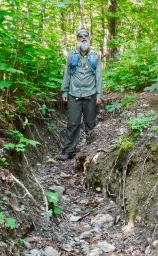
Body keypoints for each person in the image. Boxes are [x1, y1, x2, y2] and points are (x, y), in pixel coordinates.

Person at [59, 28, 103, 161]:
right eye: (80, 36)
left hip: (91, 94)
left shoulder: (95, 55)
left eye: (86, 36)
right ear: (77, 39)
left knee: (90, 124)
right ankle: (68, 151)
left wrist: (99, 95)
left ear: (89, 38)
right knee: (73, 124)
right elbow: (67, 73)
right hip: (74, 94)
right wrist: (64, 91)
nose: (83, 38)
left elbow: (99, 76)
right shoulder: (71, 55)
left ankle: (92, 152)